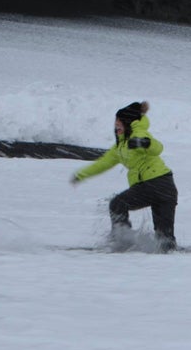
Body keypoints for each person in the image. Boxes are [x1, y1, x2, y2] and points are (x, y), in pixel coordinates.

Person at [70, 101, 179, 252]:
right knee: (165, 242)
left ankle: (122, 240)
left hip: (155, 185)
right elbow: (103, 163)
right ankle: (164, 250)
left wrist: (143, 143)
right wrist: (81, 174)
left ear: (128, 122)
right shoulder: (119, 147)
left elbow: (158, 147)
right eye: (115, 122)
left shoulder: (138, 133)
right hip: (165, 188)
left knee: (117, 204)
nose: (116, 125)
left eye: (120, 122)